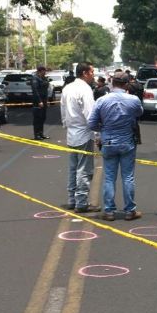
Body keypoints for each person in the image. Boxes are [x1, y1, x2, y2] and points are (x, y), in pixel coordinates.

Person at [87, 71, 144, 221]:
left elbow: (91, 123)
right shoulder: (134, 100)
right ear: (126, 84)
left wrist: (104, 129)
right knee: (128, 177)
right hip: (127, 141)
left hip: (108, 141)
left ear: (112, 83)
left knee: (109, 178)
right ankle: (130, 210)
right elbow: (139, 113)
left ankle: (109, 211)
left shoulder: (102, 100)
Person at [61, 62, 99, 214]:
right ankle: (81, 202)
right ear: (85, 73)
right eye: (92, 72)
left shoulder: (67, 88)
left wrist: (67, 126)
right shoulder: (85, 89)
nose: (93, 75)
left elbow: (63, 111)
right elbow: (90, 115)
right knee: (84, 169)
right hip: (84, 133)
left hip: (72, 133)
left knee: (73, 168)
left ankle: (72, 200)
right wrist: (97, 134)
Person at [31, 65, 50, 140]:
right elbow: (35, 91)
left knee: (42, 118)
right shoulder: (35, 78)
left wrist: (47, 100)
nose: (45, 72)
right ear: (41, 71)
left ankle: (41, 134)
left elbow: (46, 90)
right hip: (38, 101)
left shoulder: (44, 78)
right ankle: (37, 135)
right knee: (37, 119)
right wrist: (39, 101)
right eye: (44, 71)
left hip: (44, 100)